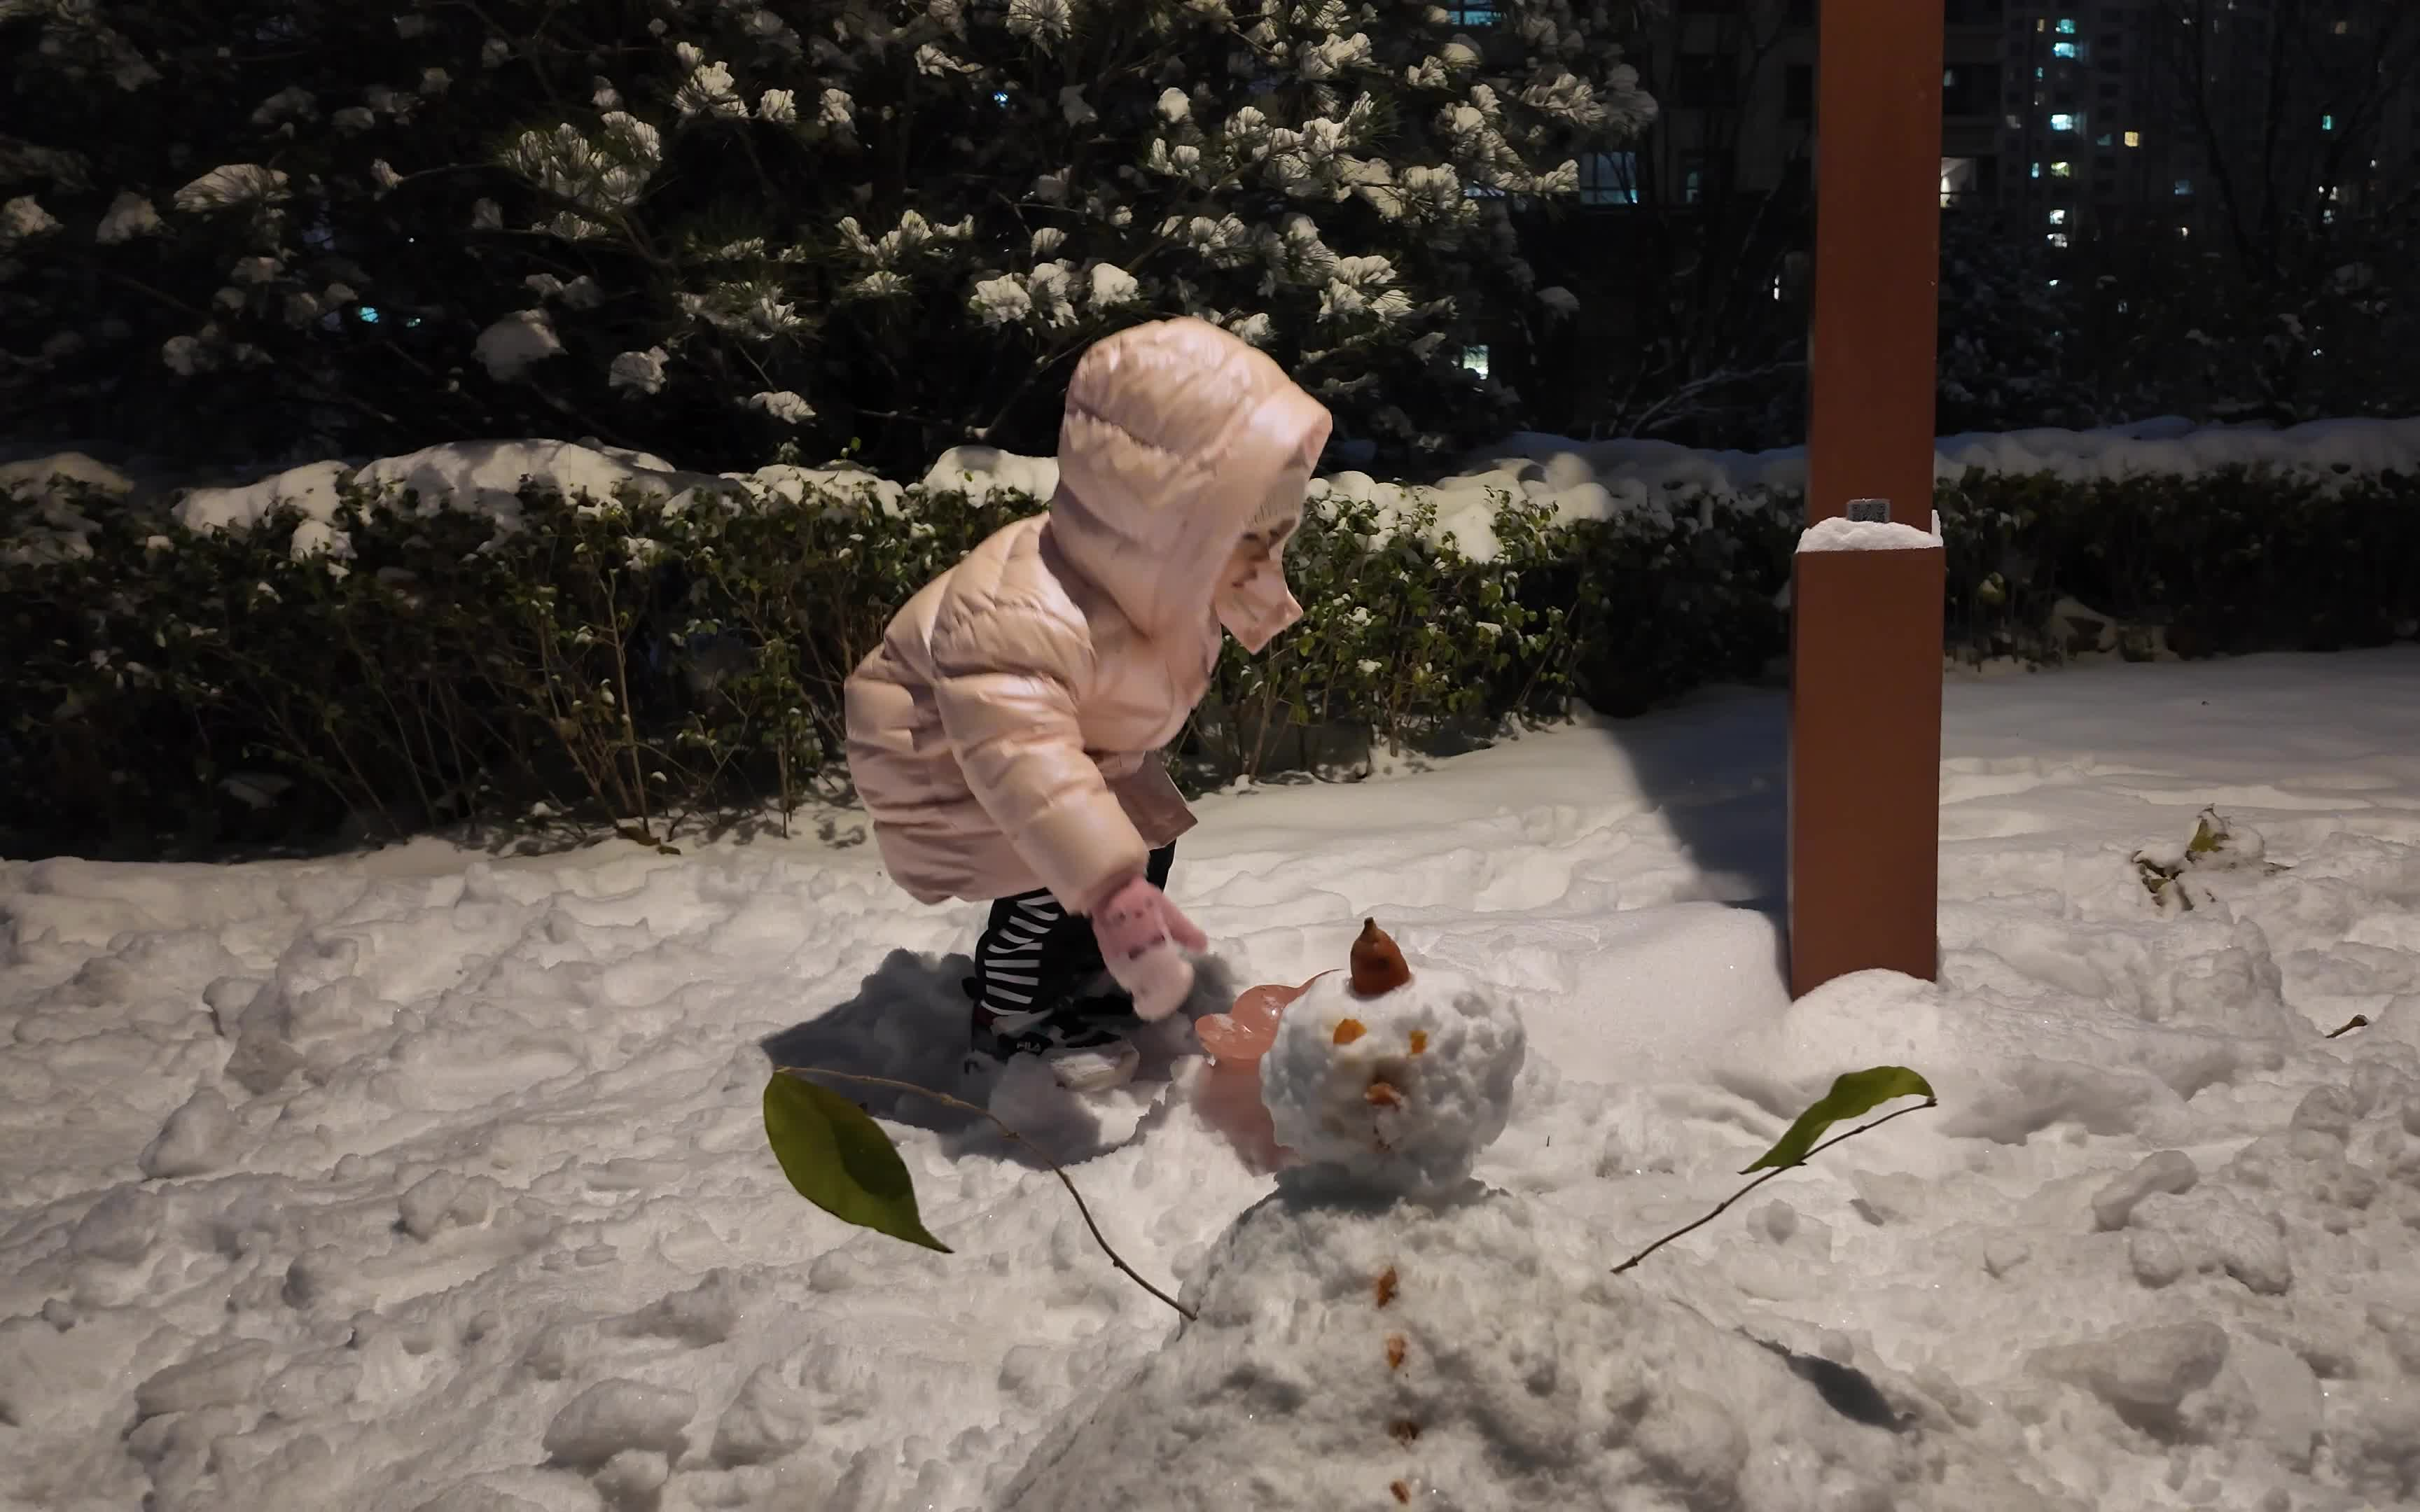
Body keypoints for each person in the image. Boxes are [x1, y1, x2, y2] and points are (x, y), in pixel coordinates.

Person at [844, 317, 1332, 1091]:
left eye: (1280, 536)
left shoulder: (1139, 572)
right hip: (938, 759)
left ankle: (1087, 975)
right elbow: (1018, 756)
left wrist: (1256, 597)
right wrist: (1106, 886)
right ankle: (1008, 1020)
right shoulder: (1022, 609)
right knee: (1051, 868)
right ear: (1177, 529)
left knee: (1145, 836)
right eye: (1250, 539)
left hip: (1045, 748)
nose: (1266, 559)